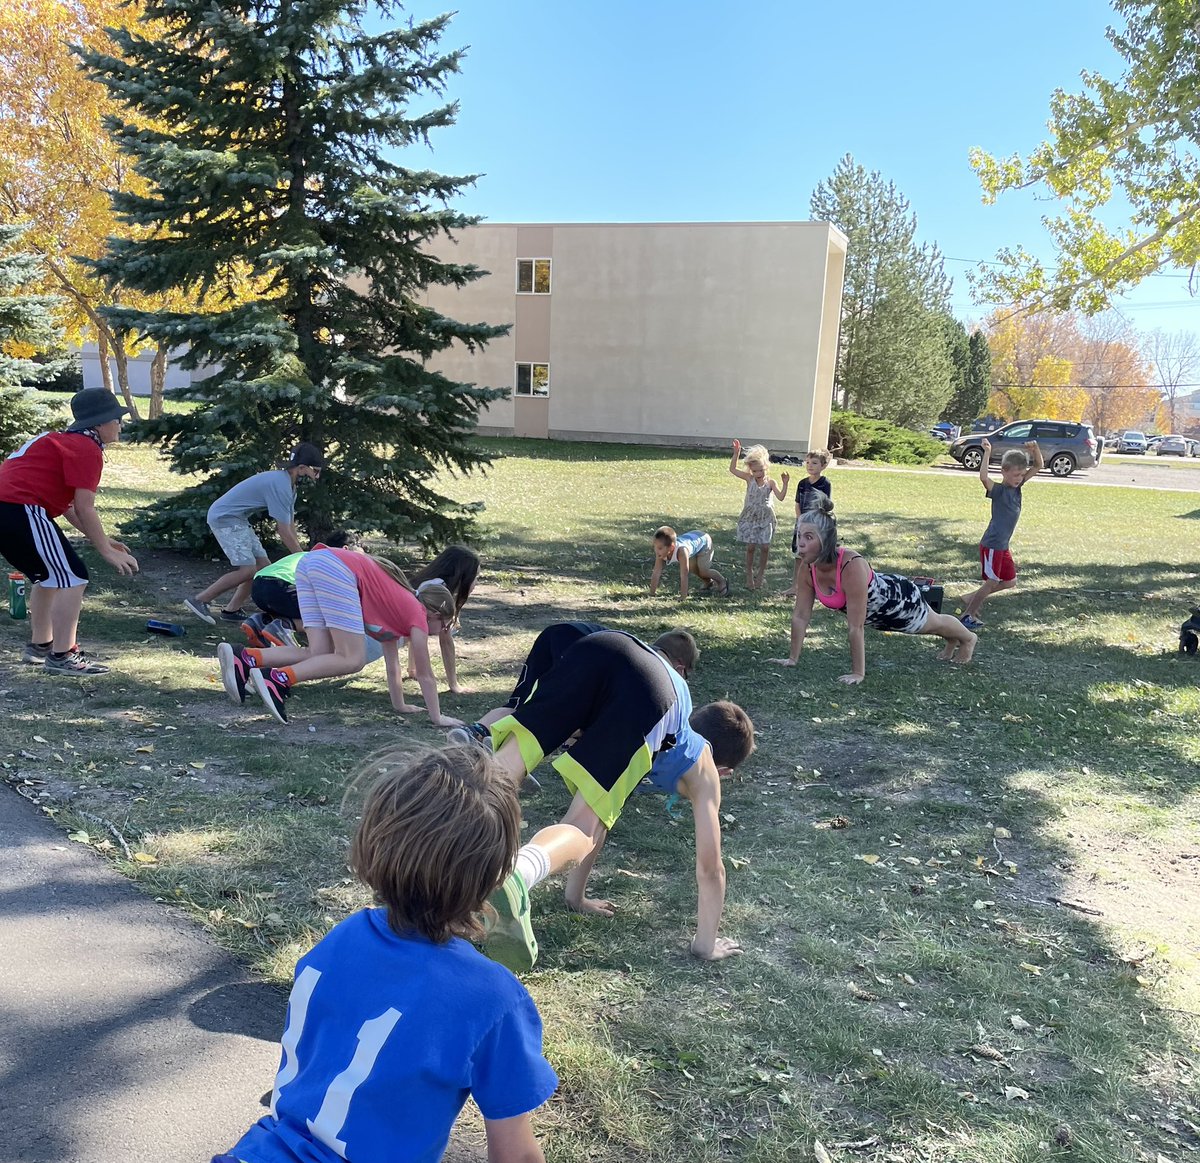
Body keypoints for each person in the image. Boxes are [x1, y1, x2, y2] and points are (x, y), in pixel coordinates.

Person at [209, 745, 558, 1163]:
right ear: (495, 875)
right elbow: (515, 1155)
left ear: (375, 840)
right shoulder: (493, 998)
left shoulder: (344, 937)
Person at [452, 627, 755, 972]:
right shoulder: (703, 768)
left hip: (602, 645)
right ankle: (516, 875)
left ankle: (439, 849)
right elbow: (710, 868)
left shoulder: (673, 730)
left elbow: (606, 815)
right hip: (654, 691)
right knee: (583, 825)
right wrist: (705, 945)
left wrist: (575, 897)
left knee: (502, 771)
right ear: (725, 770)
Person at [215, 546, 463, 727]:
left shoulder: (397, 615)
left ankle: (247, 658)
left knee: (319, 652)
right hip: (335, 567)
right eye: (444, 624)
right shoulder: (417, 615)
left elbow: (393, 668)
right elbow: (425, 675)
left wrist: (400, 705)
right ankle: (279, 679)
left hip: (311, 563)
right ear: (434, 613)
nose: (443, 631)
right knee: (352, 659)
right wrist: (437, 717)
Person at [0, 388, 138, 676]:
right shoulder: (87, 449)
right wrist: (105, 551)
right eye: (116, 419)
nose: (120, 425)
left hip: (11, 508)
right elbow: (86, 507)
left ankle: (41, 647)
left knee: (49, 576)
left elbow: (68, 507)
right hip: (19, 507)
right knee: (74, 576)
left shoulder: (64, 441)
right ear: (99, 423)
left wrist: (103, 539)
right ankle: (63, 656)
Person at [770, 495, 977, 681]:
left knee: (931, 623)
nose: (801, 544)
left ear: (825, 542)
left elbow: (855, 626)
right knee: (932, 626)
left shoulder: (851, 566)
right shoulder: (808, 568)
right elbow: (800, 616)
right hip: (876, 615)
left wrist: (858, 673)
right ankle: (951, 640)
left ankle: (968, 639)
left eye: (809, 537)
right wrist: (792, 659)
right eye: (799, 536)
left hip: (897, 599)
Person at [185, 443, 324, 625]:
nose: (317, 476)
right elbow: (282, 531)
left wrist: (301, 555)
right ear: (302, 468)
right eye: (316, 471)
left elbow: (289, 525)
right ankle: (200, 600)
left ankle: (231, 610)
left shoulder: (289, 486)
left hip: (238, 519)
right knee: (248, 570)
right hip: (225, 518)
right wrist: (303, 559)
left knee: (264, 568)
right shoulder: (280, 485)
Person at [958, 439, 1043, 629]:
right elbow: (983, 478)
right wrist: (987, 452)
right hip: (993, 544)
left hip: (1003, 545)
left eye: (1022, 475)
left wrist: (1035, 449)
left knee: (1010, 581)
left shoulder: (1017, 488)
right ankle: (967, 615)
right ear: (1004, 471)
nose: (1019, 478)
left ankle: (970, 597)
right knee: (992, 581)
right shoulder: (999, 491)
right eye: (1015, 475)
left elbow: (1039, 465)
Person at [240, 532, 354, 649]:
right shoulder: (335, 562)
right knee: (328, 614)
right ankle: (284, 627)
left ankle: (261, 622)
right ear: (346, 548)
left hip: (257, 586)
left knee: (292, 605)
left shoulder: (309, 554)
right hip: (281, 587)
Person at [408, 544, 481, 694]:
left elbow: (414, 630)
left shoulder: (430, 583)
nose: (475, 583)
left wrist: (412, 669)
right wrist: (454, 685)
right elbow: (445, 639)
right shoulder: (438, 594)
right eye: (475, 577)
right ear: (463, 576)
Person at [729, 439, 789, 590]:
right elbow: (733, 470)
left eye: (761, 470)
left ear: (766, 467)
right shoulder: (749, 479)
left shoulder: (771, 483)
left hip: (765, 517)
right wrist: (736, 453)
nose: (758, 474)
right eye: (755, 471)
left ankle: (760, 574)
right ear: (751, 470)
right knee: (750, 547)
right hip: (751, 517)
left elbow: (780, 497)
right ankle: (749, 574)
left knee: (765, 547)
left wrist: (785, 483)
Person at [782, 450, 832, 598]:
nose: (810, 466)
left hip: (816, 525)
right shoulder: (802, 483)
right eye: (808, 462)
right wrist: (801, 521)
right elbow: (797, 504)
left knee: (816, 557)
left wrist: (814, 524)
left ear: (823, 466)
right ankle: (795, 586)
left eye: (815, 463)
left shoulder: (825, 484)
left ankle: (817, 588)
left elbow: (824, 504)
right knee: (799, 555)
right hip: (801, 525)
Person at [649, 526, 729, 599]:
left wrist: (683, 597)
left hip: (704, 542)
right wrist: (652, 593)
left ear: (671, 547)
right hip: (693, 538)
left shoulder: (682, 551)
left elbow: (684, 575)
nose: (656, 550)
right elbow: (656, 571)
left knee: (703, 571)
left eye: (659, 548)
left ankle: (722, 581)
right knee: (693, 568)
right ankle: (708, 582)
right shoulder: (660, 552)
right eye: (654, 546)